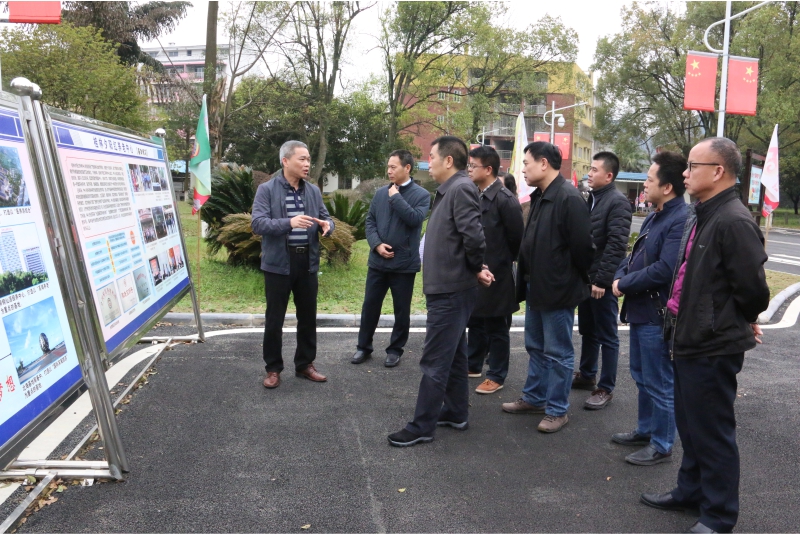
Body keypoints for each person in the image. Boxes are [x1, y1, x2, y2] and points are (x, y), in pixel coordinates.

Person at [640, 138, 769, 533]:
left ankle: (718, 515)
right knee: (692, 427)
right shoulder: (703, 213)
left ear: (717, 171)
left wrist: (742, 318)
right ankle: (690, 492)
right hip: (687, 338)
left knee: (712, 434)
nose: (684, 173)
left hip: (712, 344)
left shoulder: (733, 219)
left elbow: (753, 291)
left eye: (693, 165)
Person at [388, 136, 493, 447]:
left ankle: (422, 425)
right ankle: (456, 412)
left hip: (451, 289)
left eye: (431, 156)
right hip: (448, 288)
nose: (428, 161)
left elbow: (474, 237)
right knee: (456, 355)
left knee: (434, 360)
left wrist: (475, 268)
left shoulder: (460, 188)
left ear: (449, 161)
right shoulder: (451, 189)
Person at [502, 142, 594, 433]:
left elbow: (584, 250)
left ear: (544, 163)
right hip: (535, 286)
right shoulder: (541, 196)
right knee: (536, 346)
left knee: (558, 352)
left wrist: (567, 278)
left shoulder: (569, 198)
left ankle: (557, 410)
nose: (523, 169)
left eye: (527, 163)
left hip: (557, 289)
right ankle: (534, 398)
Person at [611, 151, 688, 466]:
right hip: (642, 309)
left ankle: (662, 444)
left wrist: (624, 284)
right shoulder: (657, 214)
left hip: (657, 314)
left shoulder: (680, 218)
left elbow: (665, 269)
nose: (644, 184)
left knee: (659, 381)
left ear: (667, 187)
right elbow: (636, 256)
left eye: (649, 179)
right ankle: (645, 429)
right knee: (641, 374)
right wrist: (620, 275)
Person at [251, 140, 335, 389]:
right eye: (302, 159)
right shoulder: (266, 190)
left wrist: (327, 226)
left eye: (308, 159)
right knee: (274, 319)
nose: (307, 164)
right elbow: (258, 224)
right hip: (278, 263)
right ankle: (273, 368)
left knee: (308, 317)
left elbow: (326, 218)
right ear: (285, 161)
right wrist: (289, 222)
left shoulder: (313, 191)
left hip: (307, 262)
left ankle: (305, 364)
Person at [351, 150, 430, 367]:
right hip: (378, 262)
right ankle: (363, 347)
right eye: (388, 166)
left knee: (401, 310)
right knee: (370, 307)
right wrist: (376, 244)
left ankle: (395, 349)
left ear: (407, 168)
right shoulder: (379, 194)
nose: (389, 171)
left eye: (393, 167)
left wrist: (396, 198)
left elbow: (414, 219)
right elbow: (370, 222)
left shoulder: (421, 195)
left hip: (403, 264)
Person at [572, 152, 632, 410]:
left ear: (609, 175)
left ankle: (605, 387)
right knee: (588, 329)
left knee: (607, 335)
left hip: (600, 282)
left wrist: (602, 280)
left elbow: (617, 244)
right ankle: (587, 374)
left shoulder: (617, 202)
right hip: (586, 278)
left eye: (594, 169)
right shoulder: (592, 199)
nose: (589, 173)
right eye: (589, 168)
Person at [466, 146, 523, 394]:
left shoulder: (505, 200)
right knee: (476, 320)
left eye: (472, 166)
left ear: (488, 169)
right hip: (478, 271)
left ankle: (497, 375)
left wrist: (499, 262)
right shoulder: (475, 194)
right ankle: (473, 364)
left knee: (497, 327)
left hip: (497, 273)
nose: (468, 169)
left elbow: (516, 241)